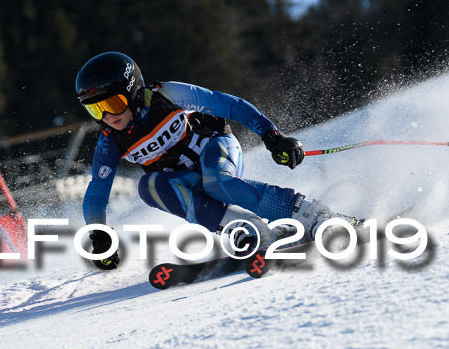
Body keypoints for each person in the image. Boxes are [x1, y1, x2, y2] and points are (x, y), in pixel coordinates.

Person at [75, 51, 356, 270]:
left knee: (217, 181)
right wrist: (99, 235)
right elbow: (96, 194)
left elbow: (229, 104)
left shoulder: (168, 95)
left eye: (112, 104)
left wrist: (272, 136)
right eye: (95, 110)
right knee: (148, 187)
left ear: (134, 91)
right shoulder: (110, 141)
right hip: (188, 178)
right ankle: (247, 229)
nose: (107, 117)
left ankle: (313, 215)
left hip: (216, 148)